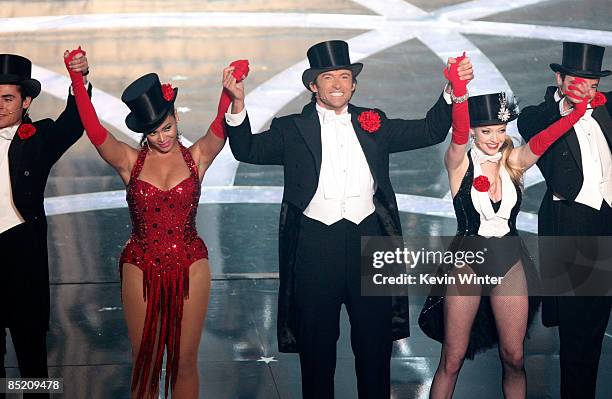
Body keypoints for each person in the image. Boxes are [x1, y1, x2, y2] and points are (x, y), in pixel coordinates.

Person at [224, 39, 473, 398]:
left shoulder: (375, 122)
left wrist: (452, 90)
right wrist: (237, 105)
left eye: (344, 76)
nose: (338, 84)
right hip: (314, 247)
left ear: (354, 84)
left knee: (375, 353)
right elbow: (247, 149)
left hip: (370, 243)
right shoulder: (291, 129)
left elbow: (430, 131)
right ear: (313, 85)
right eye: (328, 77)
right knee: (317, 355)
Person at [64, 47, 249, 398]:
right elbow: (94, 131)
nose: (162, 137)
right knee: (145, 360)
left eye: (167, 127)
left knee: (185, 360)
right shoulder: (128, 161)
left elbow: (219, 126)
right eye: (154, 133)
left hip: (191, 263)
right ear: (143, 132)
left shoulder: (197, 157)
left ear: (176, 115)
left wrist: (231, 87)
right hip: (141, 263)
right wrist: (77, 79)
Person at [419, 50, 597, 398]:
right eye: (486, 131)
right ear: (473, 132)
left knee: (514, 357)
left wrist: (574, 115)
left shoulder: (511, 161)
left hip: (509, 258)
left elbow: (541, 144)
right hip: (467, 261)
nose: (494, 138)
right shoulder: (459, 163)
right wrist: (459, 90)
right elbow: (456, 133)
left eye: (500, 130)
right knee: (452, 358)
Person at [517, 41, 612, 399]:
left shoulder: (606, 109)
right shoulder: (538, 115)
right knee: (576, 331)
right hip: (571, 224)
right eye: (576, 80)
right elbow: (536, 128)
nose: (585, 88)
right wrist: (569, 109)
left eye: (592, 82)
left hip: (608, 220)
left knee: (597, 326)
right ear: (559, 78)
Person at [0, 52, 89, 398]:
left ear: (26, 101)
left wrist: (79, 81)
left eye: (7, 99)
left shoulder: (36, 138)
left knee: (32, 363)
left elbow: (74, 121)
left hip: (23, 257)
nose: (0, 106)